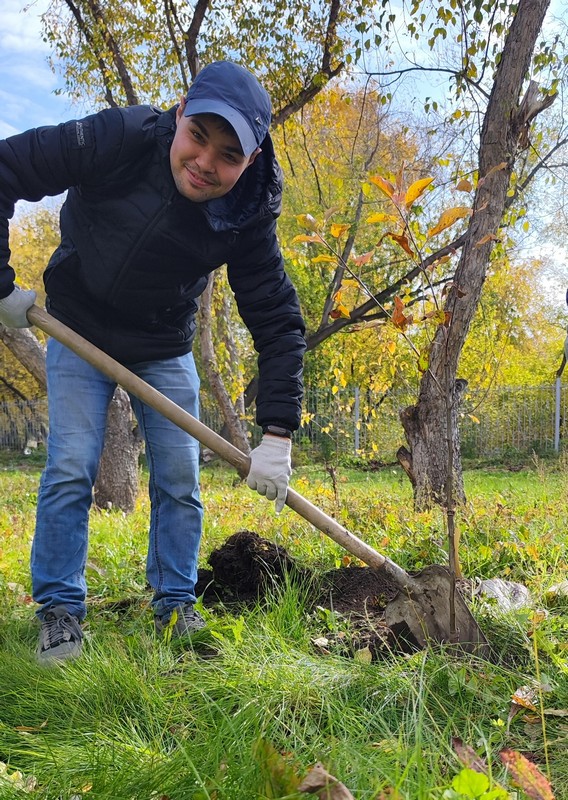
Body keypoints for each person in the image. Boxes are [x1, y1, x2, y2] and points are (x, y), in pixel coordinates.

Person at [0, 61, 306, 663]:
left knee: (179, 476)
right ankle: (60, 611)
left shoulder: (248, 213)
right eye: (199, 137)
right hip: (76, 323)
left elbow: (275, 318)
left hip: (163, 343)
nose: (205, 163)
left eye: (228, 155)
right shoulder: (120, 137)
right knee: (69, 466)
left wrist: (277, 433)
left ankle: (174, 604)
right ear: (179, 112)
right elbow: (7, 166)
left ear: (250, 160)